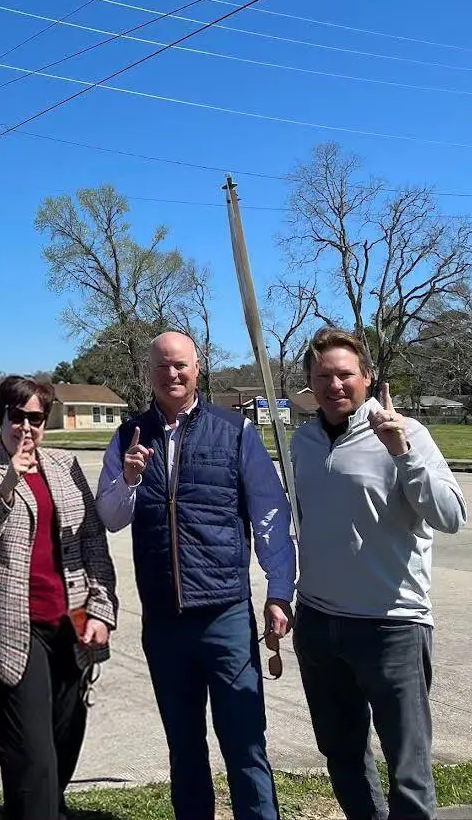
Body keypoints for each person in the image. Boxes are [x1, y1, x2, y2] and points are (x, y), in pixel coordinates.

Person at [98, 331, 296, 820]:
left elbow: (269, 513)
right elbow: (110, 516)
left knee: (246, 745)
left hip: (224, 615)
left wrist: (279, 589)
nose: (173, 374)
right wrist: (127, 480)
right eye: (163, 365)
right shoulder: (128, 436)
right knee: (184, 749)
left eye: (181, 365)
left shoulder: (235, 431)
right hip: (164, 620)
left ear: (197, 368)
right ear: (150, 372)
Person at [290, 327, 467, 820]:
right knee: (343, 754)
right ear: (310, 382)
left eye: (345, 374)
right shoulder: (301, 442)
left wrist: (402, 454)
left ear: (367, 377)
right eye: (323, 376)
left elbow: (451, 516)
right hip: (320, 623)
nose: (335, 385)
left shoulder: (405, 432)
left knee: (407, 766)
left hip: (392, 626)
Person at [0, 374, 119, 820]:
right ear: (2, 417)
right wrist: (11, 480)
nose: (26, 427)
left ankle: (42, 806)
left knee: (64, 740)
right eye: (17, 416)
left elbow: (93, 542)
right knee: (32, 754)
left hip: (69, 622)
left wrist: (101, 610)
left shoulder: (66, 466)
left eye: (36, 418)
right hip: (13, 629)